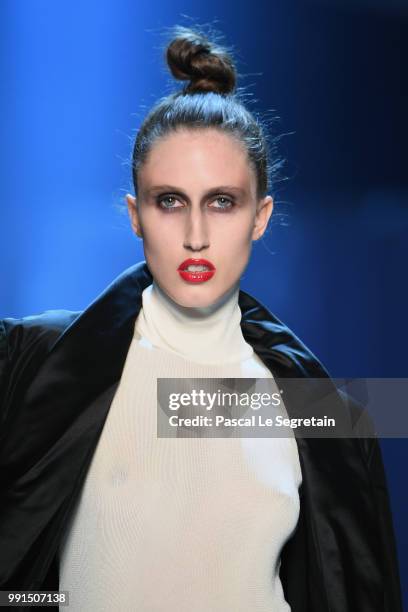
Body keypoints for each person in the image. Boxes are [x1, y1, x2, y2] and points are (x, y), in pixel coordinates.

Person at [0, 25, 402, 612]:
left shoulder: (324, 412)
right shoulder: (35, 364)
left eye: (222, 202)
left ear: (261, 216)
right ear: (135, 215)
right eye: (170, 202)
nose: (195, 236)